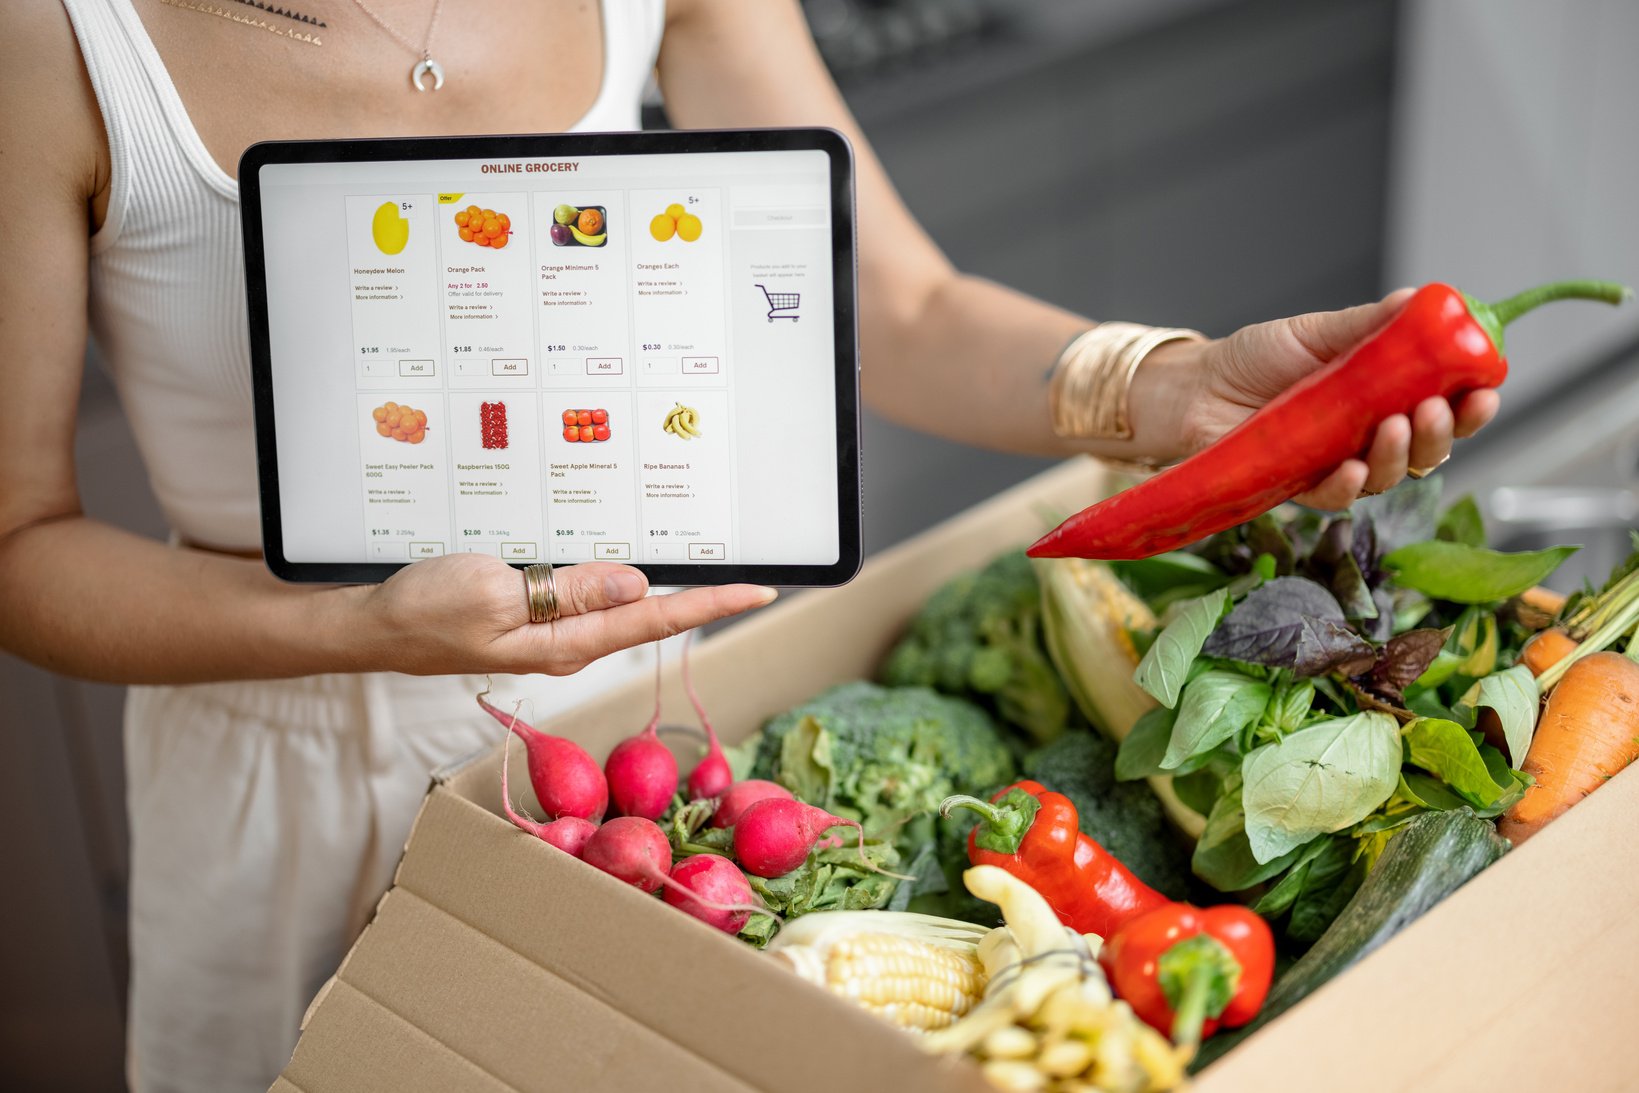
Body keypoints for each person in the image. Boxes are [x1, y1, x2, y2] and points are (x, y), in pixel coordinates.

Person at [0, 1, 1498, 1089]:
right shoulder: (59, 40)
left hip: (648, 750)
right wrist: (364, 629)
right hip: (279, 773)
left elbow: (898, 311)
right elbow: (22, 544)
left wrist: (1161, 384)